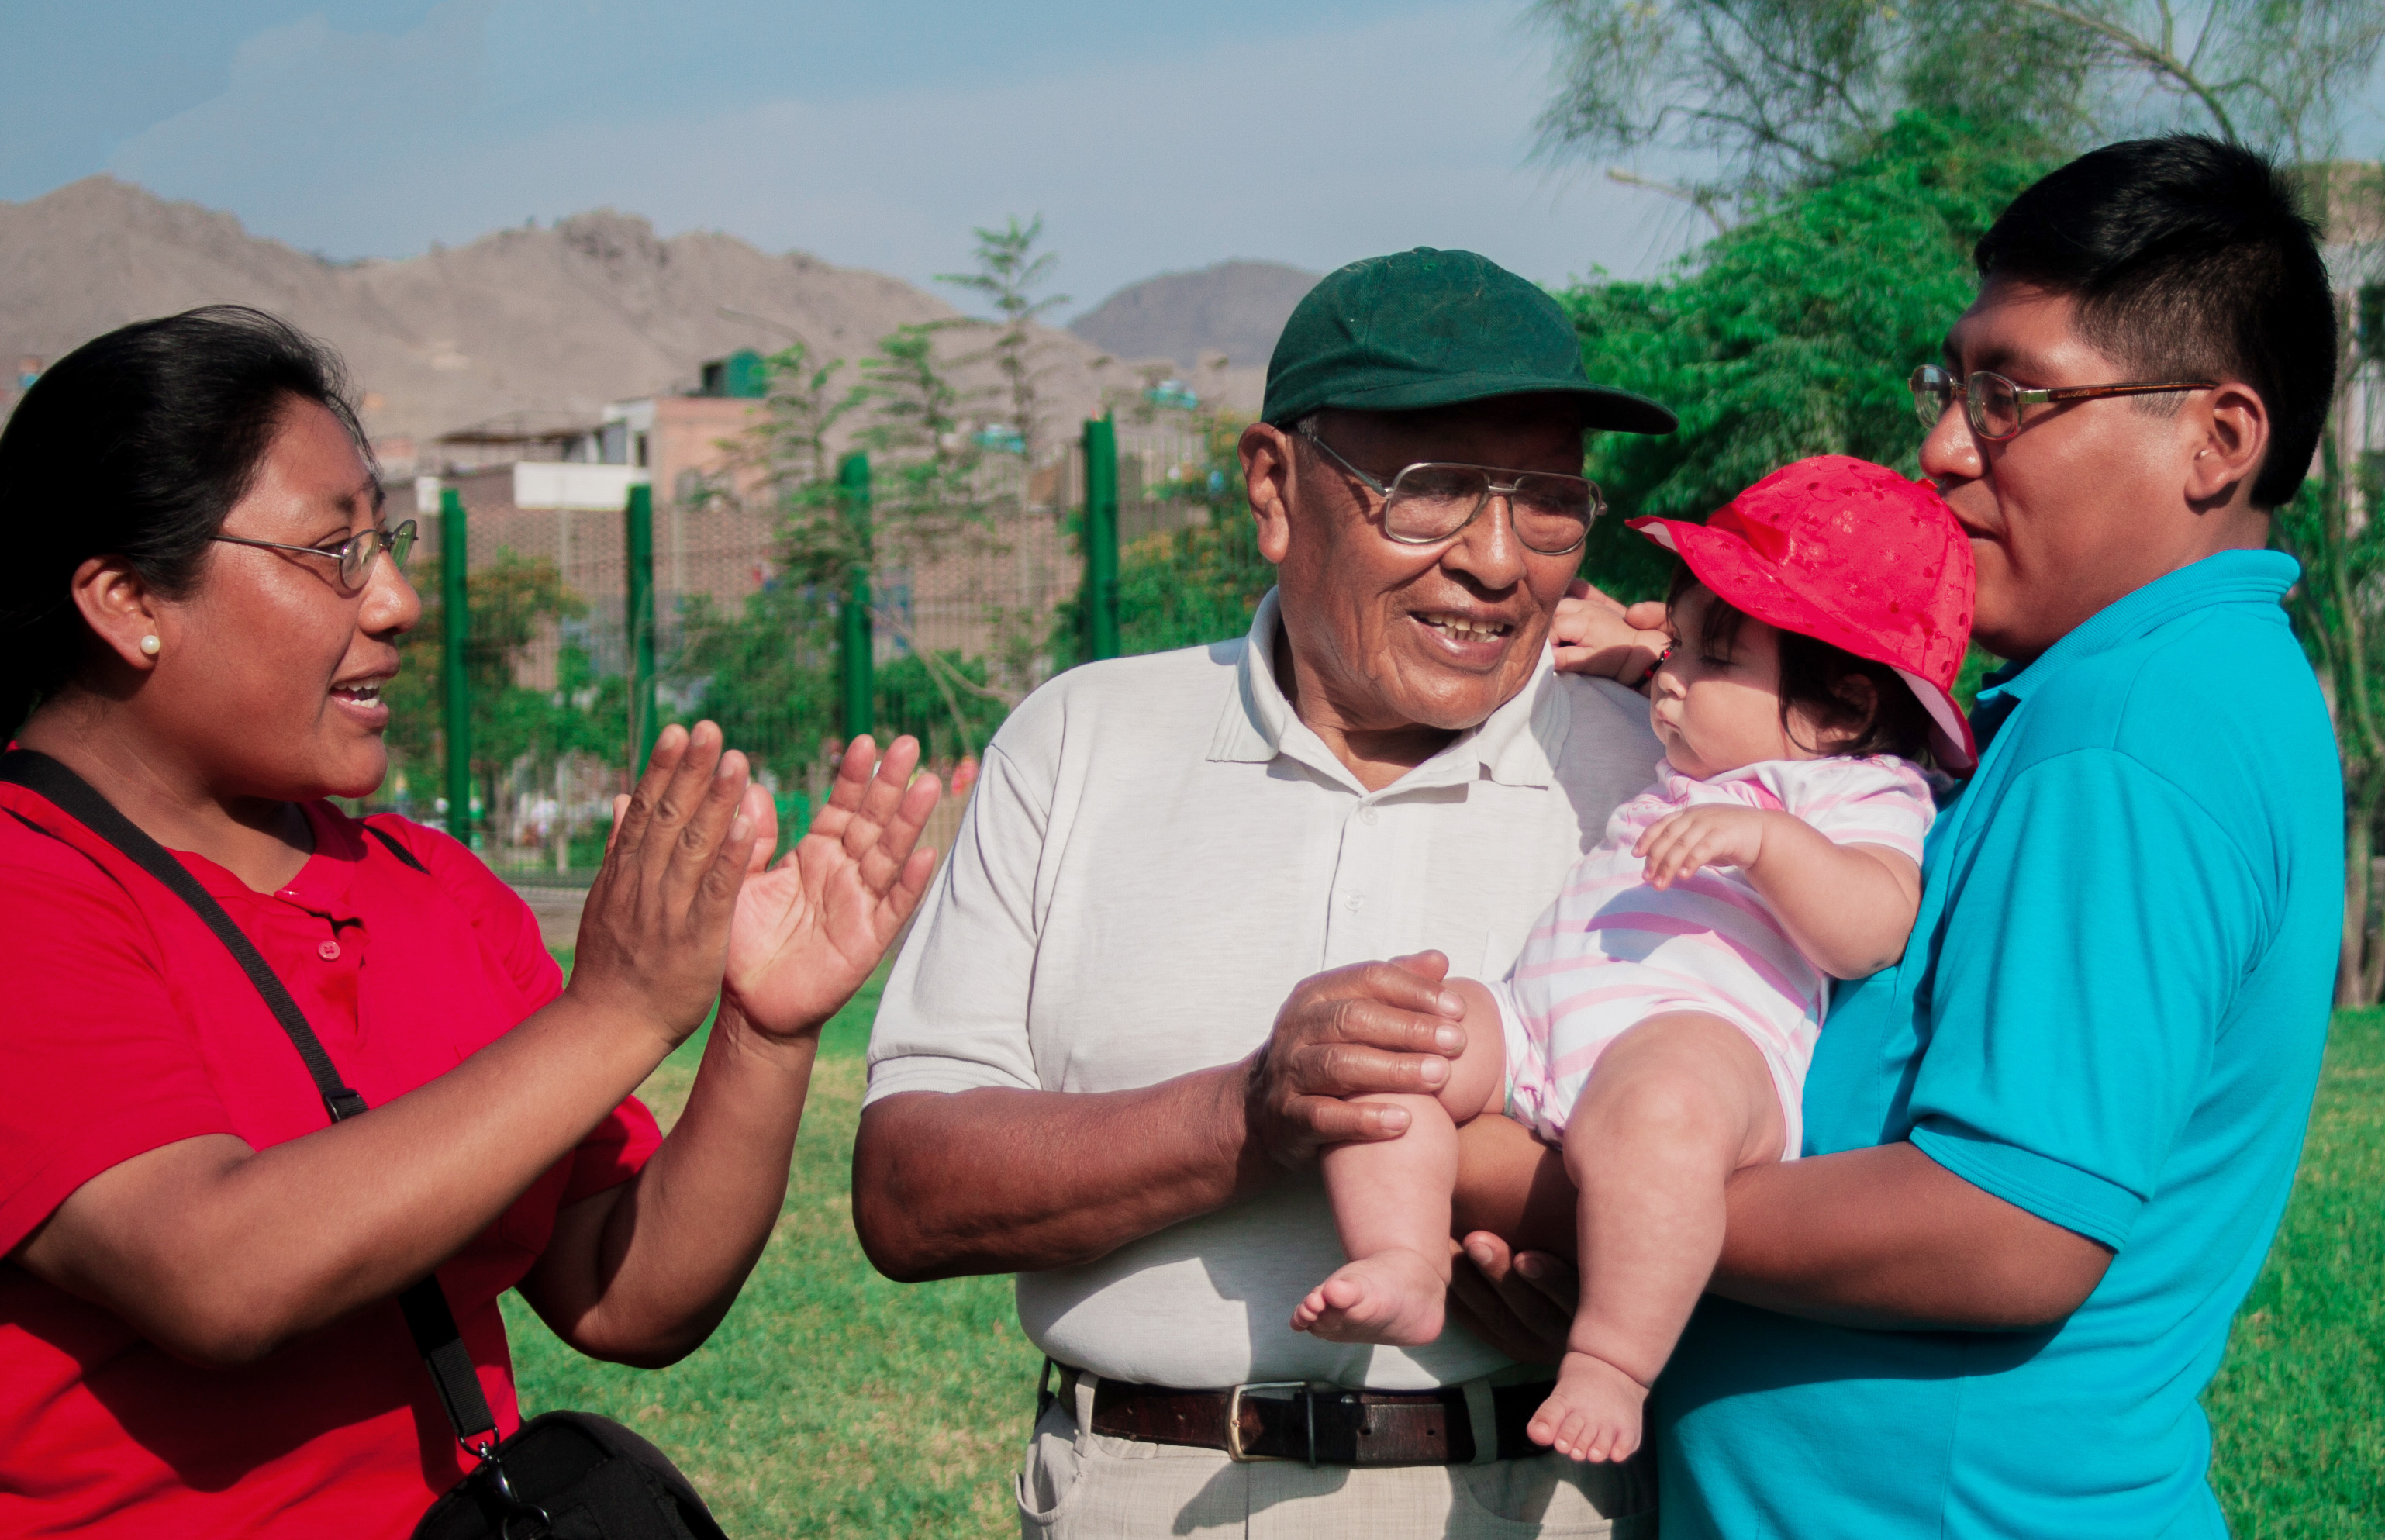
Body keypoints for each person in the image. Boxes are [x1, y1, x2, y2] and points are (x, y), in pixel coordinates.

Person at [1453, 135, 2342, 1537]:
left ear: (2216, 441)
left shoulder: (2134, 732)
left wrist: (1585, 1194)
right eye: (1953, 384)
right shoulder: (2117, 695)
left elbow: (2005, 1228)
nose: (1943, 447)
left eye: (2014, 399)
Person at [0, 306, 941, 1538]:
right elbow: (214, 1271)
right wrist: (612, 1014)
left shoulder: (429, 886)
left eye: (381, 540)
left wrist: (762, 1029)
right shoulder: (33, 884)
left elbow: (626, 1290)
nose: (394, 599)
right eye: (333, 551)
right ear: (128, 600)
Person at [853, 248, 1677, 1538]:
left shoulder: (1658, 785)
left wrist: (1614, 1255)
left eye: (1550, 501)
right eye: (1435, 490)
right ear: (1274, 487)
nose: (1499, 560)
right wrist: (1251, 1109)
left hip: (1538, 1499)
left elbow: (1790, 1138)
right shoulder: (1081, 740)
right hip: (1148, 1488)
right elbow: (906, 1190)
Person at [1293, 455, 1973, 1469]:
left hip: (1696, 1049)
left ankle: (1611, 1359)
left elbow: (1873, 921)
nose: (1672, 672)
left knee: (1660, 1123)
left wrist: (1769, 845)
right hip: (1537, 1023)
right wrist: (1633, 647)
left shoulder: (1854, 790)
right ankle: (1399, 1255)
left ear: (1840, 709)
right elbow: (1667, 670)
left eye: (1713, 656)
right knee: (1397, 1031)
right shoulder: (1713, 736)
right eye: (1676, 640)